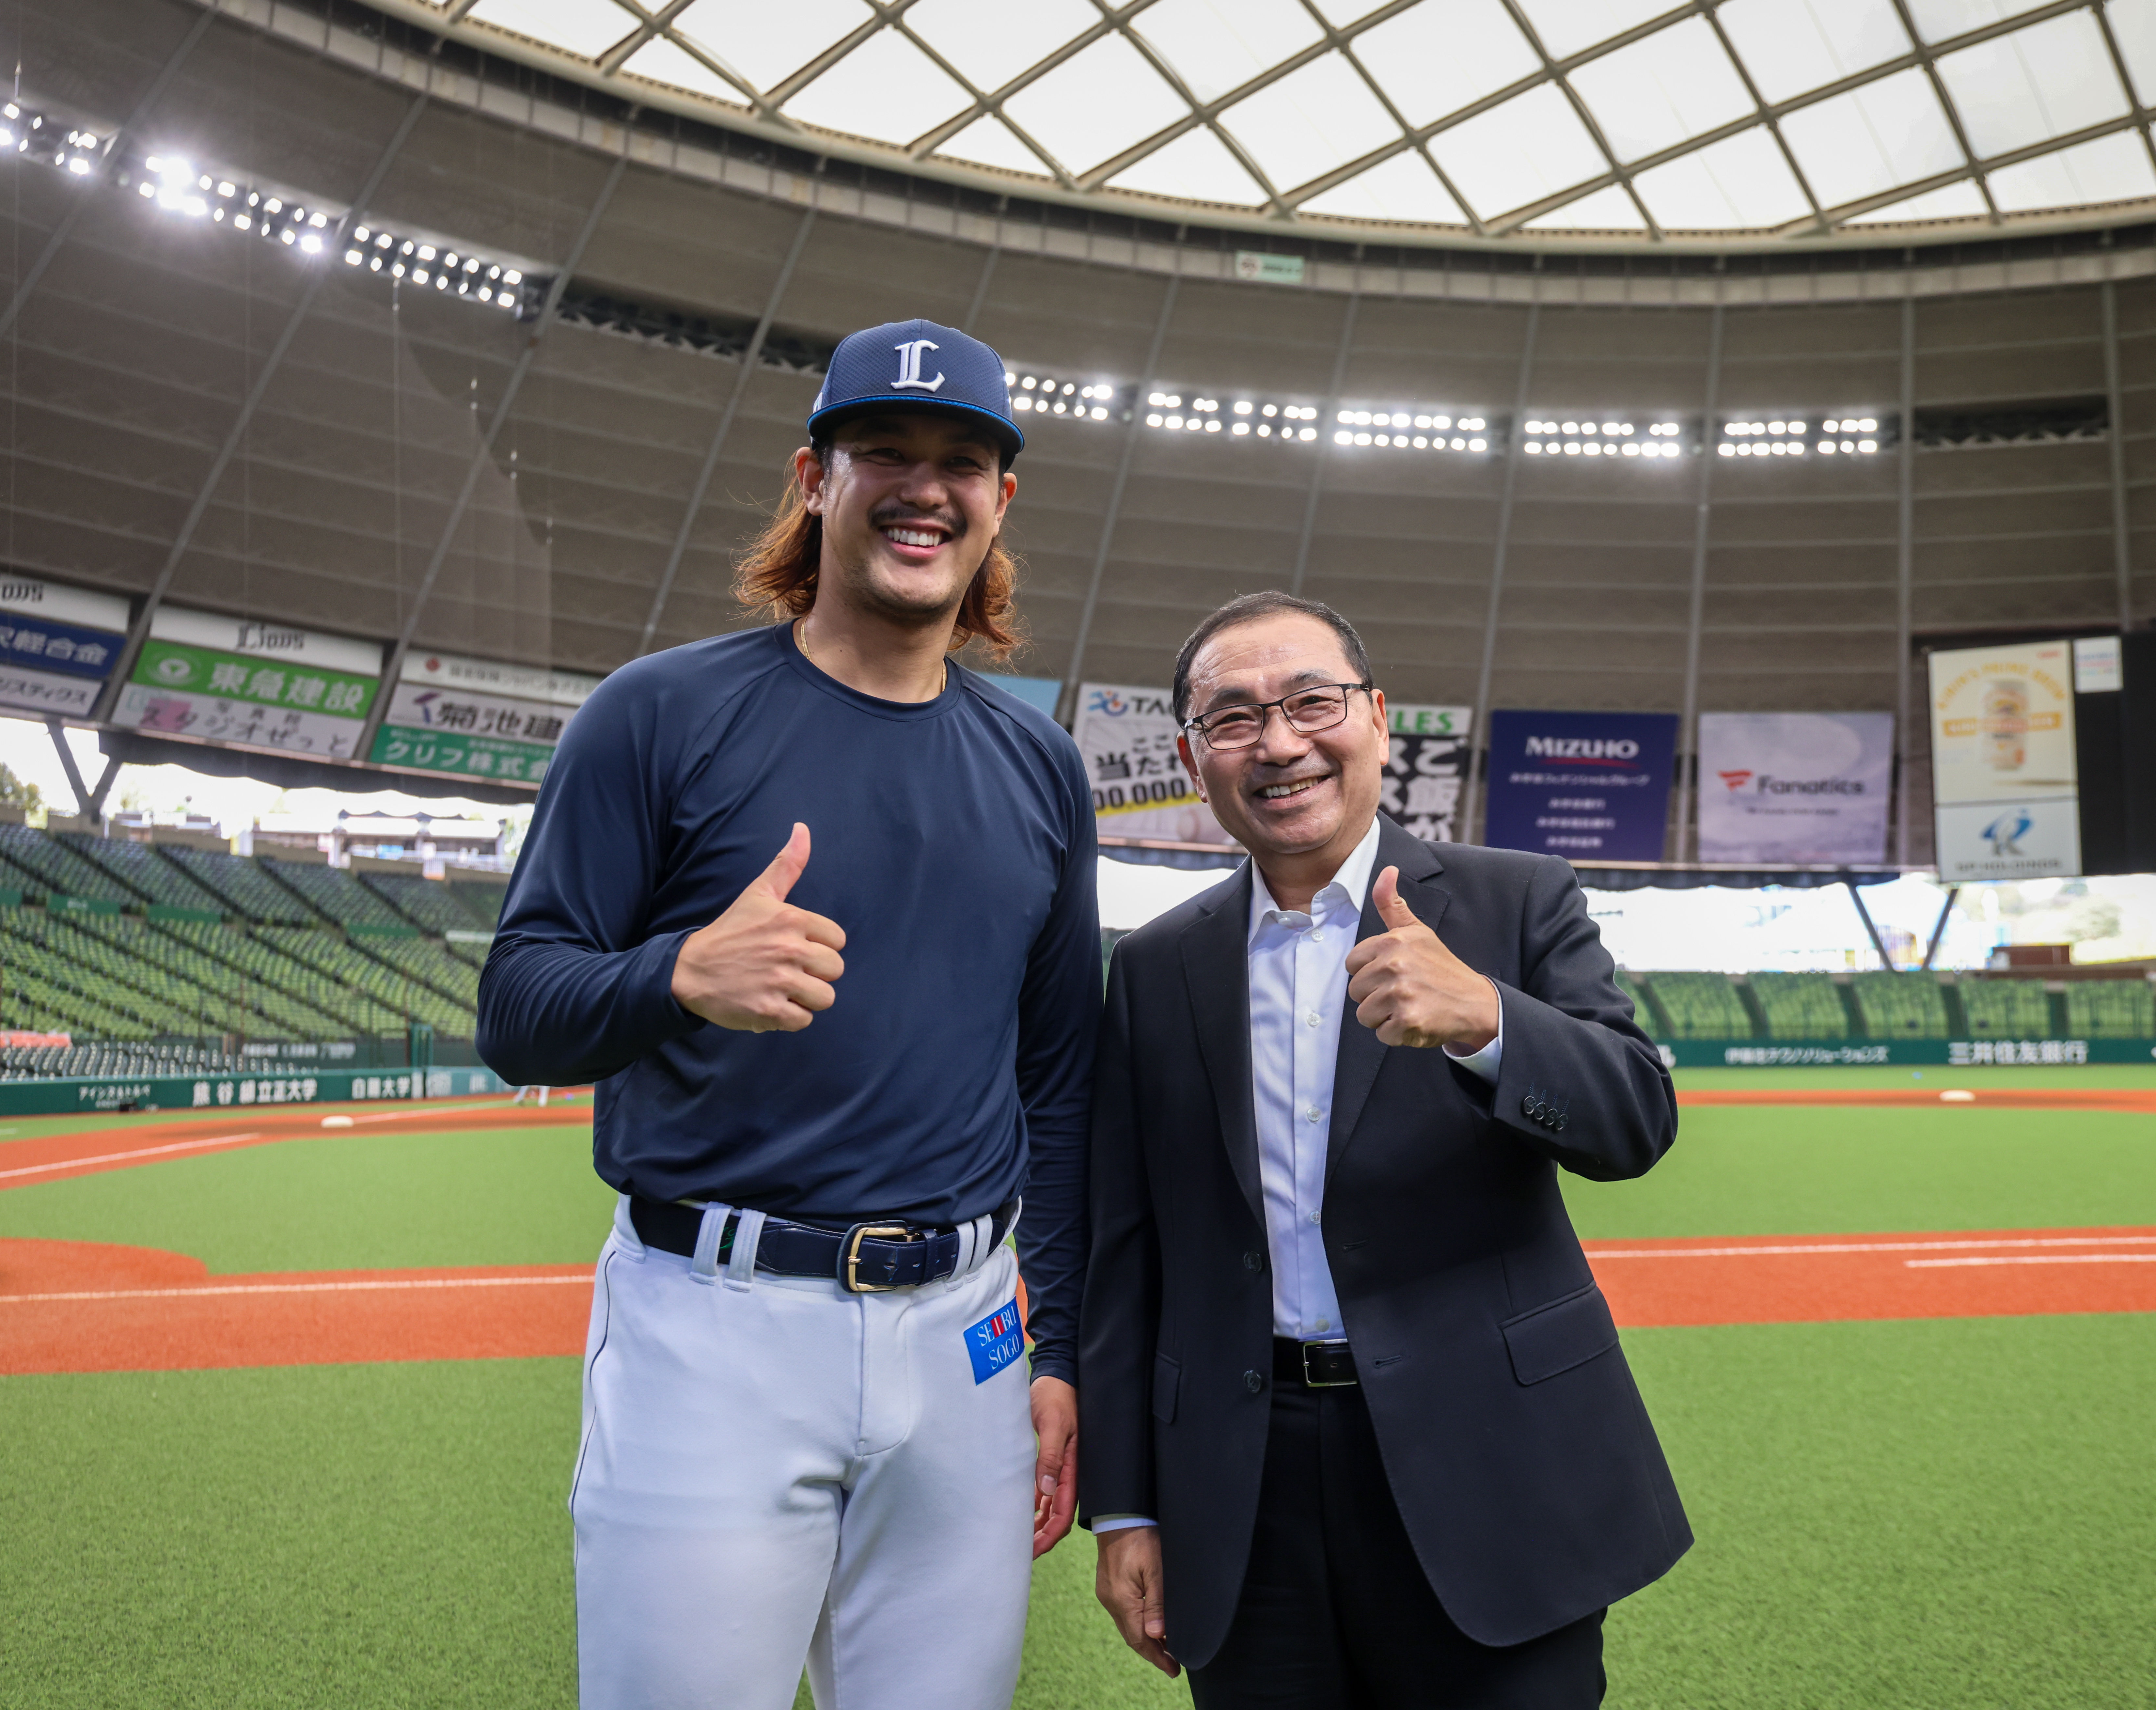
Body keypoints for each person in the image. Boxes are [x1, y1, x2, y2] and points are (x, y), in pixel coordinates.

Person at [477, 319, 1100, 1710]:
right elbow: (516, 1004)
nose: (922, 485)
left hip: (969, 1338)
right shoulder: (655, 714)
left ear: (1002, 503)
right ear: (813, 476)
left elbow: (1057, 1084)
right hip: (716, 1322)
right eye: (884, 449)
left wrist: (1050, 1344)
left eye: (961, 460)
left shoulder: (1042, 767)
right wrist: (677, 974)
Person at [1079, 591, 1691, 1708]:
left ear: (1379, 720)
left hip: (1493, 1471)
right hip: (1241, 1488)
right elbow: (1128, 1253)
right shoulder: (1157, 967)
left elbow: (1638, 1120)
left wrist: (1493, 1023)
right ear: (1191, 755)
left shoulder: (1515, 899)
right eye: (1233, 718)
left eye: (1313, 701)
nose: (1279, 743)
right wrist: (1126, 1504)